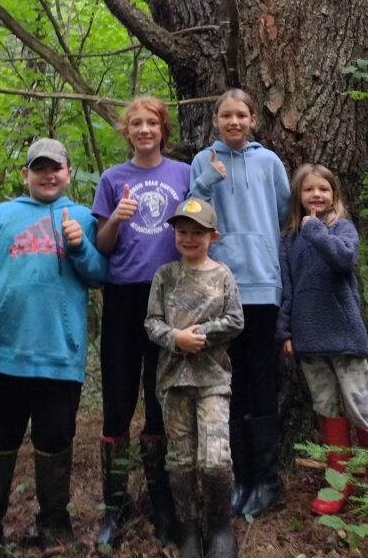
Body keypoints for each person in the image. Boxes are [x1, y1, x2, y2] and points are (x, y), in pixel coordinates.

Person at [0, 137, 106, 557]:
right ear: (26, 174)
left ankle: (54, 524)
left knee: (55, 440)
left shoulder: (82, 217)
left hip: (60, 355)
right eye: (39, 168)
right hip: (5, 352)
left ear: (68, 172)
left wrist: (81, 247)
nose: (48, 175)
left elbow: (100, 275)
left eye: (56, 167)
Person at [276, 162, 368, 534]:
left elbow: (343, 259)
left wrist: (317, 229)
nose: (317, 195)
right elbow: (288, 289)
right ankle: (338, 477)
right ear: (298, 197)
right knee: (326, 407)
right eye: (309, 190)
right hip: (308, 339)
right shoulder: (290, 239)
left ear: (334, 195)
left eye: (324, 190)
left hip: (345, 338)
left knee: (360, 407)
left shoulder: (339, 228)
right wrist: (285, 330)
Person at [93, 95, 190, 548]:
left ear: (162, 129)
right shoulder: (113, 180)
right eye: (137, 124)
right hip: (123, 296)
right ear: (126, 131)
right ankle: (113, 509)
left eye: (152, 123)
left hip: (169, 296)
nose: (145, 130)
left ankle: (162, 506)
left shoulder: (183, 174)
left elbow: (199, 231)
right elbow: (104, 245)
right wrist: (116, 217)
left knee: (159, 398)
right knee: (117, 399)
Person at [190, 88, 290, 518]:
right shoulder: (202, 162)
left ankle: (266, 481)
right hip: (221, 288)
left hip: (263, 284)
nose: (234, 122)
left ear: (253, 120)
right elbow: (193, 211)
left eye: (241, 115)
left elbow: (285, 210)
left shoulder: (268, 162)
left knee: (263, 379)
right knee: (232, 381)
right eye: (226, 115)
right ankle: (240, 477)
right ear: (215, 120)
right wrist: (209, 179)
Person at [145, 197, 244, 558]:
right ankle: (188, 528)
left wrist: (198, 334)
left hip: (213, 380)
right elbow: (152, 322)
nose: (188, 238)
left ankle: (219, 526)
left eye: (197, 233)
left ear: (212, 236)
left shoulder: (223, 275)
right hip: (172, 382)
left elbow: (236, 321)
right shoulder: (165, 276)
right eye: (182, 232)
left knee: (215, 460)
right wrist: (175, 339)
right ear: (174, 234)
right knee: (181, 461)